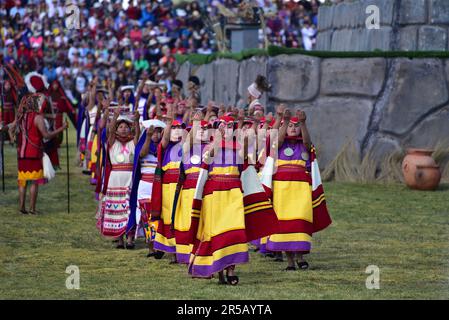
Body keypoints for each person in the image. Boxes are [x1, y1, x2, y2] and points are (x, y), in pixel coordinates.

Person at [187, 116, 279, 285]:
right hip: (214, 195)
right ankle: (220, 270)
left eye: (230, 125)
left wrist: (246, 137)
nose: (227, 128)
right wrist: (219, 138)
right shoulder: (209, 146)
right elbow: (209, 158)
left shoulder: (238, 147)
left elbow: (245, 158)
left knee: (235, 232)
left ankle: (230, 271)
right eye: (223, 125)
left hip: (234, 193)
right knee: (217, 234)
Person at [262, 106, 332, 270]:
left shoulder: (305, 144)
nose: (293, 129)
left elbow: (307, 143)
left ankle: (300, 257)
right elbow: (278, 141)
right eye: (290, 126)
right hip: (282, 189)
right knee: (285, 224)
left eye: (296, 126)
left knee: (300, 221)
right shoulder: (278, 143)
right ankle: (290, 262)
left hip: (301, 189)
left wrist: (303, 123)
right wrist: (285, 121)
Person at [12, 93, 67, 214]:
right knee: (34, 182)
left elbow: (13, 128)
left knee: (22, 181)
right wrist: (61, 129)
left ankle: (21, 207)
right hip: (34, 153)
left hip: (21, 154)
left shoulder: (21, 116)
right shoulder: (37, 117)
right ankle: (32, 209)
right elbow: (46, 135)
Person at [97, 106, 140, 249]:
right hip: (115, 179)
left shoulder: (133, 142)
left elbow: (138, 135)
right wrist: (114, 117)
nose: (123, 129)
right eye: (120, 127)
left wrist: (137, 122)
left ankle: (129, 238)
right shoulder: (112, 142)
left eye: (126, 127)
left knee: (129, 207)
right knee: (117, 209)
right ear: (115, 129)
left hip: (129, 178)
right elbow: (108, 132)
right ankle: (119, 239)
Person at [151, 105, 185, 263]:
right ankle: (172, 253)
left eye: (180, 129)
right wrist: (169, 123)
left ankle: (183, 250)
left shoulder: (186, 147)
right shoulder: (164, 147)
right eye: (173, 129)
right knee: (168, 217)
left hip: (181, 186)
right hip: (167, 188)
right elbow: (164, 139)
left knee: (180, 217)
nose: (176, 132)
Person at [128, 119, 166, 258]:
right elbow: (142, 154)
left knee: (159, 216)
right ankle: (151, 247)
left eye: (157, 132)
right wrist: (148, 137)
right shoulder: (142, 145)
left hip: (158, 186)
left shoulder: (163, 147)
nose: (155, 134)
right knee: (146, 217)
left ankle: (160, 245)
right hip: (145, 185)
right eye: (152, 132)